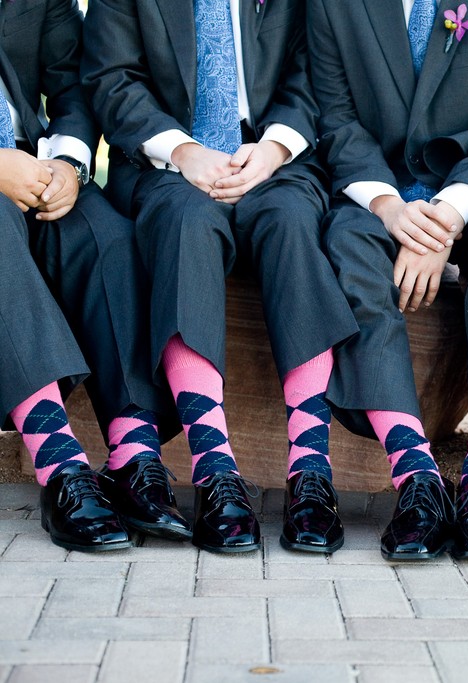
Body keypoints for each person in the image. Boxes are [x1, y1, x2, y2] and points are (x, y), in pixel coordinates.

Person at [81, 0, 359, 553]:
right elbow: (111, 79)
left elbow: (311, 70)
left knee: (293, 224)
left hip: (271, 159)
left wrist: (276, 148)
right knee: (187, 224)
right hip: (165, 166)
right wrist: (182, 151)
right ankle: (214, 469)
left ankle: (311, 471)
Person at [307, 0, 468, 561]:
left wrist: (445, 217)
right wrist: (389, 207)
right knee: (345, 241)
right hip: (379, 187)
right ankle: (415, 475)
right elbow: (337, 119)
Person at [0, 0, 186, 552]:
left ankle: (134, 455)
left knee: (105, 232)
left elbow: (71, 84)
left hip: (30, 169)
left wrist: (67, 163)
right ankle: (59, 466)